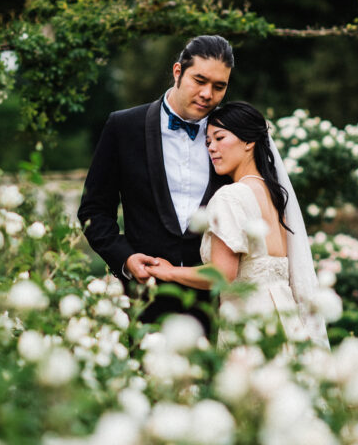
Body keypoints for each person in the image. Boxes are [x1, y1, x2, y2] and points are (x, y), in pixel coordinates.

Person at [77, 35, 234, 330]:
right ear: (178, 72)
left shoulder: (233, 134)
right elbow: (94, 210)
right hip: (147, 297)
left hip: (218, 301)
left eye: (219, 86)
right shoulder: (123, 127)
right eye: (199, 80)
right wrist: (125, 258)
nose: (207, 94)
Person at [147, 101, 330, 348]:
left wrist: (169, 272)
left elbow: (223, 274)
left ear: (248, 141)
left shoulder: (230, 196)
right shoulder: (275, 196)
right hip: (287, 319)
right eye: (208, 142)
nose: (212, 147)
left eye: (220, 138)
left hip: (251, 321)